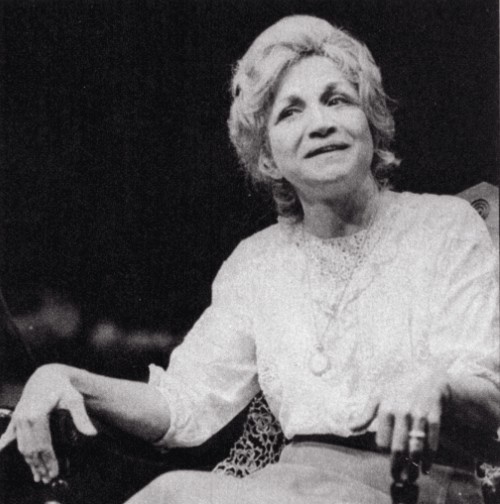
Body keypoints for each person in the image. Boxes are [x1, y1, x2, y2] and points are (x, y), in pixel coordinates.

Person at [1, 14, 499, 504]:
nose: (320, 123)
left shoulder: (444, 226)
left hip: (419, 488)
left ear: (371, 120)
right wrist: (65, 377)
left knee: (174, 495)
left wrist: (438, 384)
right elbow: (185, 407)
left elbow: (492, 392)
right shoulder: (257, 263)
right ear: (266, 157)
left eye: (338, 100)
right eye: (290, 112)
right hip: (288, 489)